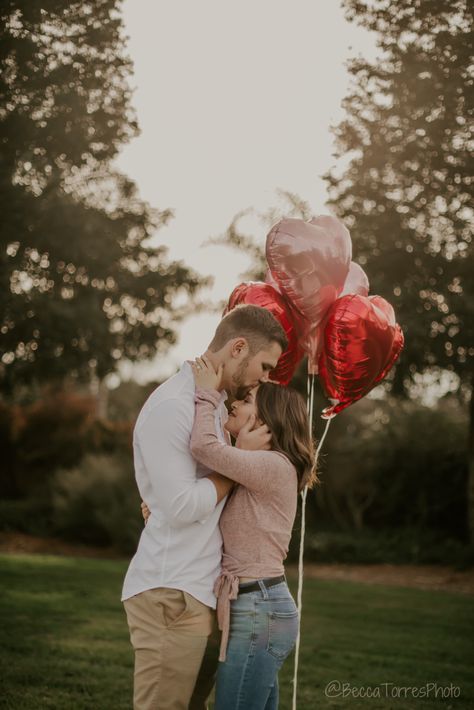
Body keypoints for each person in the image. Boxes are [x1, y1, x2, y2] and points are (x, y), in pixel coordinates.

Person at [121, 304, 288, 710]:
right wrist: (240, 464)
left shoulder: (209, 403)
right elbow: (180, 506)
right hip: (171, 592)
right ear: (239, 348)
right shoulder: (174, 407)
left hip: (200, 591)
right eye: (264, 366)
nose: (264, 378)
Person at [185, 356, 318, 710]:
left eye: (245, 402)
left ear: (266, 422)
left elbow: (204, 448)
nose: (233, 402)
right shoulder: (255, 468)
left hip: (259, 609)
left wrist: (206, 395)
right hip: (256, 606)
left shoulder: (274, 466)